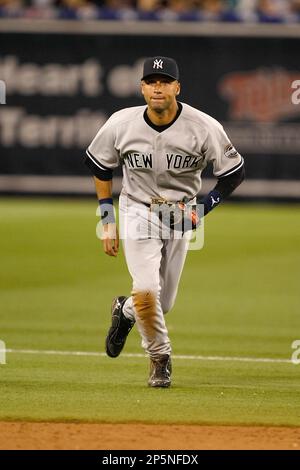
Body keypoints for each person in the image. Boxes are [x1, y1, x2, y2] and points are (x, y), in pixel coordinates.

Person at [84, 56, 244, 388]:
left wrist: (202, 209)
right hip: (137, 210)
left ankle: (124, 312)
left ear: (177, 87)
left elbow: (233, 172)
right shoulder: (121, 123)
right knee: (146, 292)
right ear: (142, 87)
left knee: (162, 304)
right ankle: (160, 358)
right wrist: (107, 219)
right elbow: (101, 166)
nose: (158, 87)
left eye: (165, 81)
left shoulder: (203, 126)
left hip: (180, 214)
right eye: (151, 81)